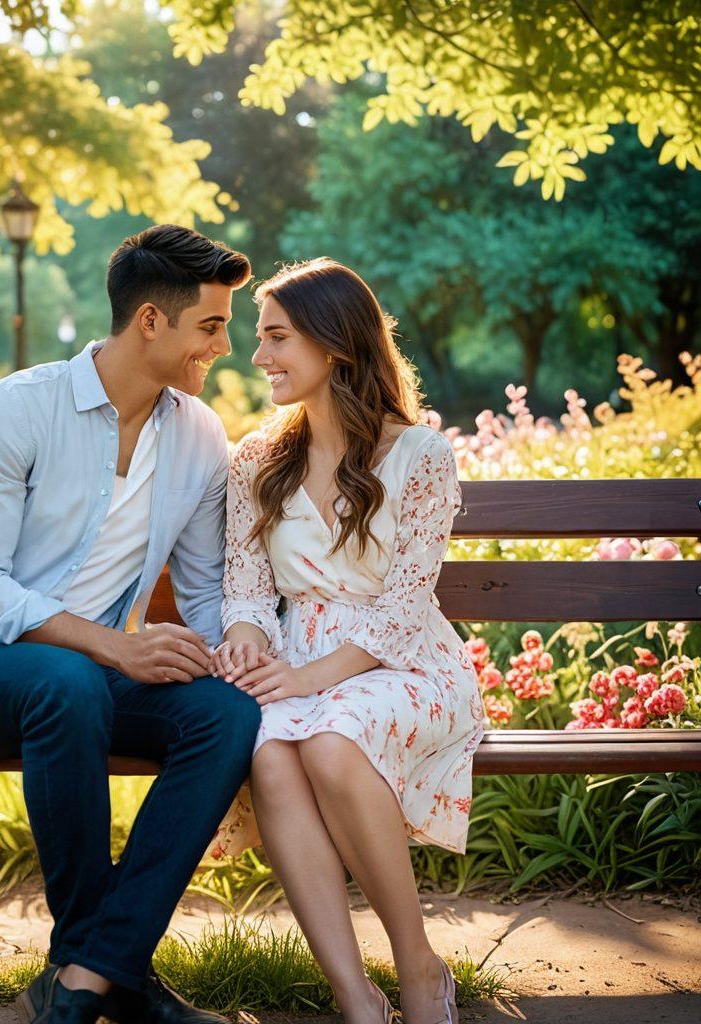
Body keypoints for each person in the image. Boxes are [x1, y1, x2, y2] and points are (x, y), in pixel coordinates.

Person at [0, 225, 261, 1024]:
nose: (224, 346)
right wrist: (111, 645)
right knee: (65, 680)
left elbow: (201, 592)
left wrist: (235, 652)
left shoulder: (198, 435)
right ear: (151, 322)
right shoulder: (18, 408)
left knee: (227, 715)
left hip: (89, 676)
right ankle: (112, 970)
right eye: (211, 325)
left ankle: (92, 971)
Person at [209, 259, 484, 1024]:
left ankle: (417, 965)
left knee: (333, 738)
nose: (258, 357)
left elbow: (402, 608)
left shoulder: (420, 455)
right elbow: (248, 588)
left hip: (402, 663)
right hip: (301, 660)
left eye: (275, 338)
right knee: (267, 749)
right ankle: (354, 995)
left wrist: (309, 679)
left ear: (334, 343)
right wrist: (245, 640)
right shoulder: (257, 458)